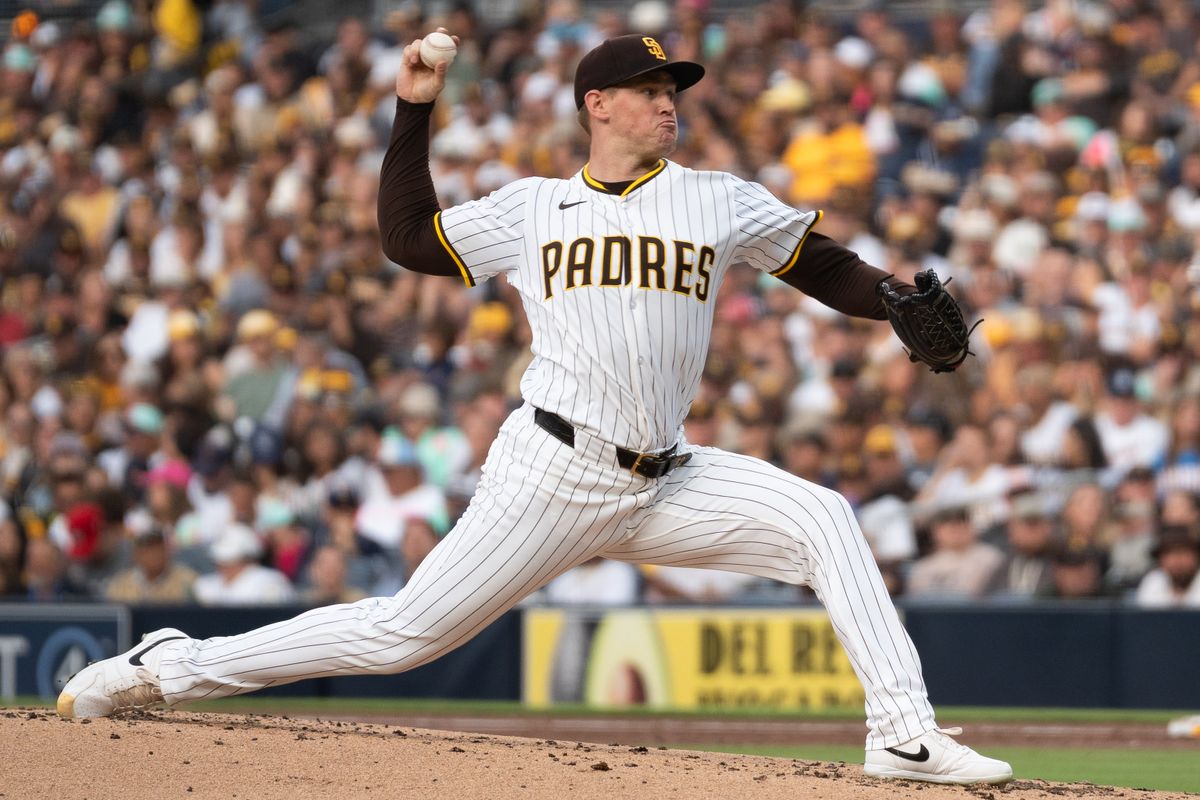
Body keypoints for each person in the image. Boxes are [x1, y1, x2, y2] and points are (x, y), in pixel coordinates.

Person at [58, 31, 1011, 786]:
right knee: (402, 637)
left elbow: (829, 266)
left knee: (822, 517)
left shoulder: (719, 201)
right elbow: (406, 239)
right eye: (649, 90)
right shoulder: (535, 208)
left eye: (674, 89)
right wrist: (413, 109)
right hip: (553, 469)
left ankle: (905, 737)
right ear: (598, 106)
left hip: (667, 475)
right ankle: (171, 666)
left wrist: (895, 300)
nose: (668, 100)